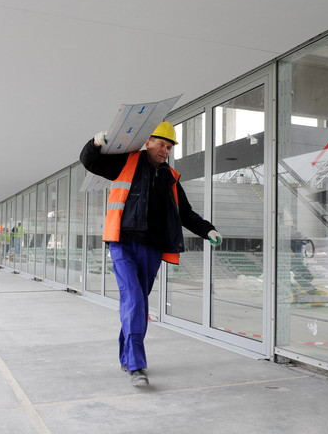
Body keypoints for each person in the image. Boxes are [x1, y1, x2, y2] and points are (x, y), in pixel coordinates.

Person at [80, 121, 222, 387]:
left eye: (169, 147)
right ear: (148, 142)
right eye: (162, 145)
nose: (165, 150)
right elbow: (90, 162)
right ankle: (136, 366)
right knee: (133, 297)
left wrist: (208, 230)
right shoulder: (126, 164)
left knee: (138, 303)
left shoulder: (171, 178)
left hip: (152, 248)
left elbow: (186, 214)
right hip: (122, 243)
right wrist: (96, 142)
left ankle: (126, 356)